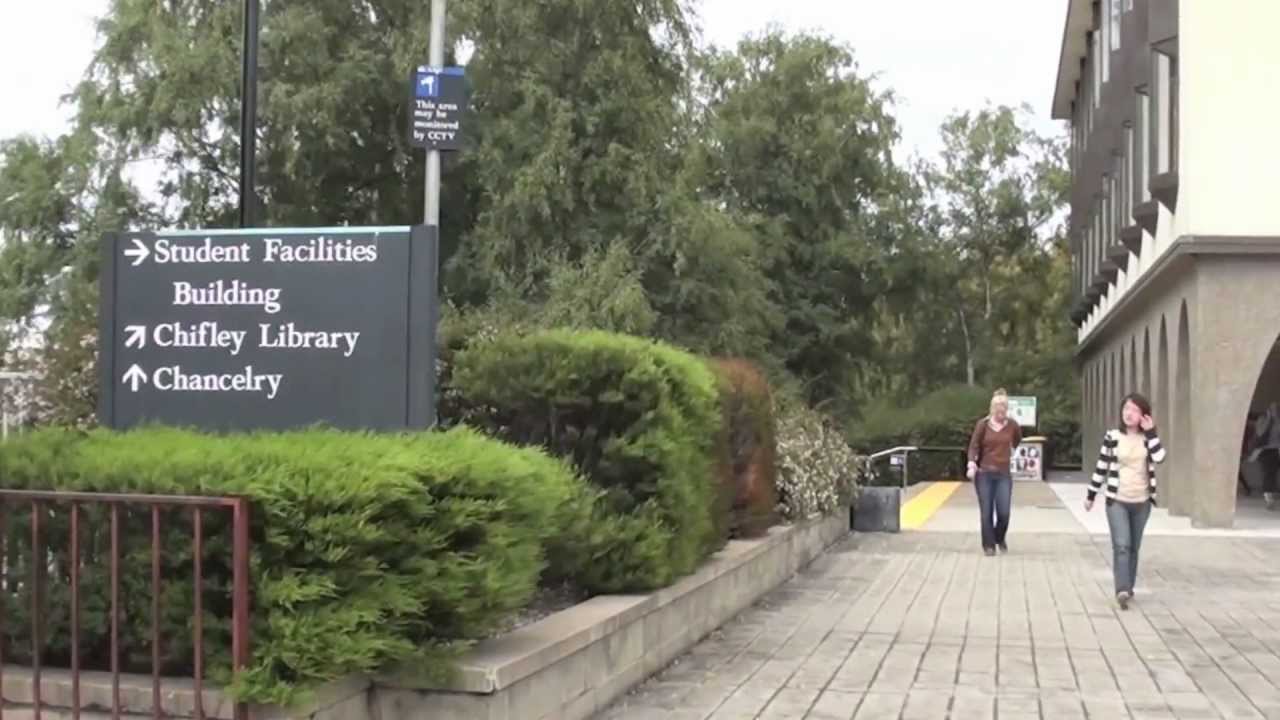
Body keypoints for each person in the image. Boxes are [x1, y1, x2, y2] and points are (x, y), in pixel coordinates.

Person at [1084, 392, 1166, 610]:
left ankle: (1128, 587)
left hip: (1142, 501)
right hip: (1117, 499)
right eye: (1126, 409)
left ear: (1143, 415)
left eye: (1135, 410)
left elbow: (1160, 458)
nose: (1129, 414)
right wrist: (1091, 495)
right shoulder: (1112, 436)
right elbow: (1101, 467)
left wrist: (1152, 433)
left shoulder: (1148, 439)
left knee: (1133, 547)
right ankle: (1121, 589)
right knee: (1122, 545)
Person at [966, 389, 1022, 556]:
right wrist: (971, 463)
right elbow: (974, 445)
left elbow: (1017, 440)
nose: (1001, 410)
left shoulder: (1012, 425)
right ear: (992, 408)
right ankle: (988, 545)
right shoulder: (983, 425)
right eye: (997, 407)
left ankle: (999, 537)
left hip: (1003, 473)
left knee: (1004, 512)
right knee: (987, 511)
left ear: (1007, 408)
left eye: (1003, 407)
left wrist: (1010, 451)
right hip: (984, 473)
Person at [1251, 403, 1280, 510]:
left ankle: (1272, 495)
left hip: (1277, 449)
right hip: (1266, 450)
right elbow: (1260, 432)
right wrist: (1269, 419)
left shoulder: (1278, 420)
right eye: (1272, 409)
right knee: (1269, 474)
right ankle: (1269, 500)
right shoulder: (1262, 419)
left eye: (1276, 409)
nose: (1274, 411)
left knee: (1272, 474)